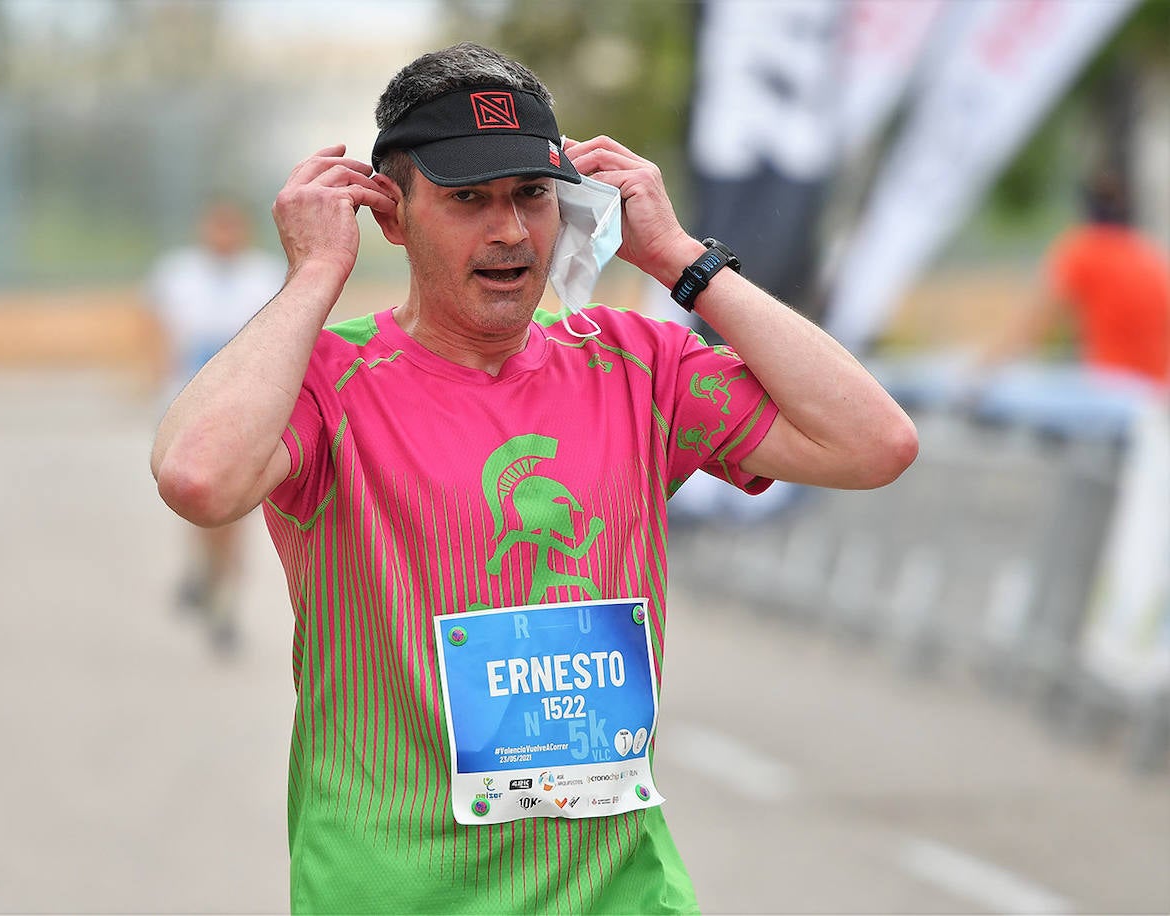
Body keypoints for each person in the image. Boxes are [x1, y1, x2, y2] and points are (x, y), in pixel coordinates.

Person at [151, 43, 917, 913]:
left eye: (531, 195)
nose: (510, 231)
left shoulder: (638, 365)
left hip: (621, 896)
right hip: (397, 894)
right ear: (391, 216)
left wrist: (680, 261)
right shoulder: (329, 384)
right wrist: (315, 273)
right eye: (467, 199)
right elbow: (199, 479)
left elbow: (874, 444)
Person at [146, 196, 285, 654]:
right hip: (187, 403)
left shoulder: (263, 276)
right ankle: (204, 570)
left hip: (243, 408)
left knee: (234, 512)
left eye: (231, 229)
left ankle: (224, 600)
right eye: (215, 228)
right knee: (198, 498)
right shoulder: (178, 276)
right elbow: (154, 331)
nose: (223, 237)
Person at [969, 169, 1170, 427]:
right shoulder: (1146, 252)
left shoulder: (1082, 250)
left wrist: (980, 375)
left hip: (1115, 394)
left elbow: (1032, 324)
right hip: (1156, 393)